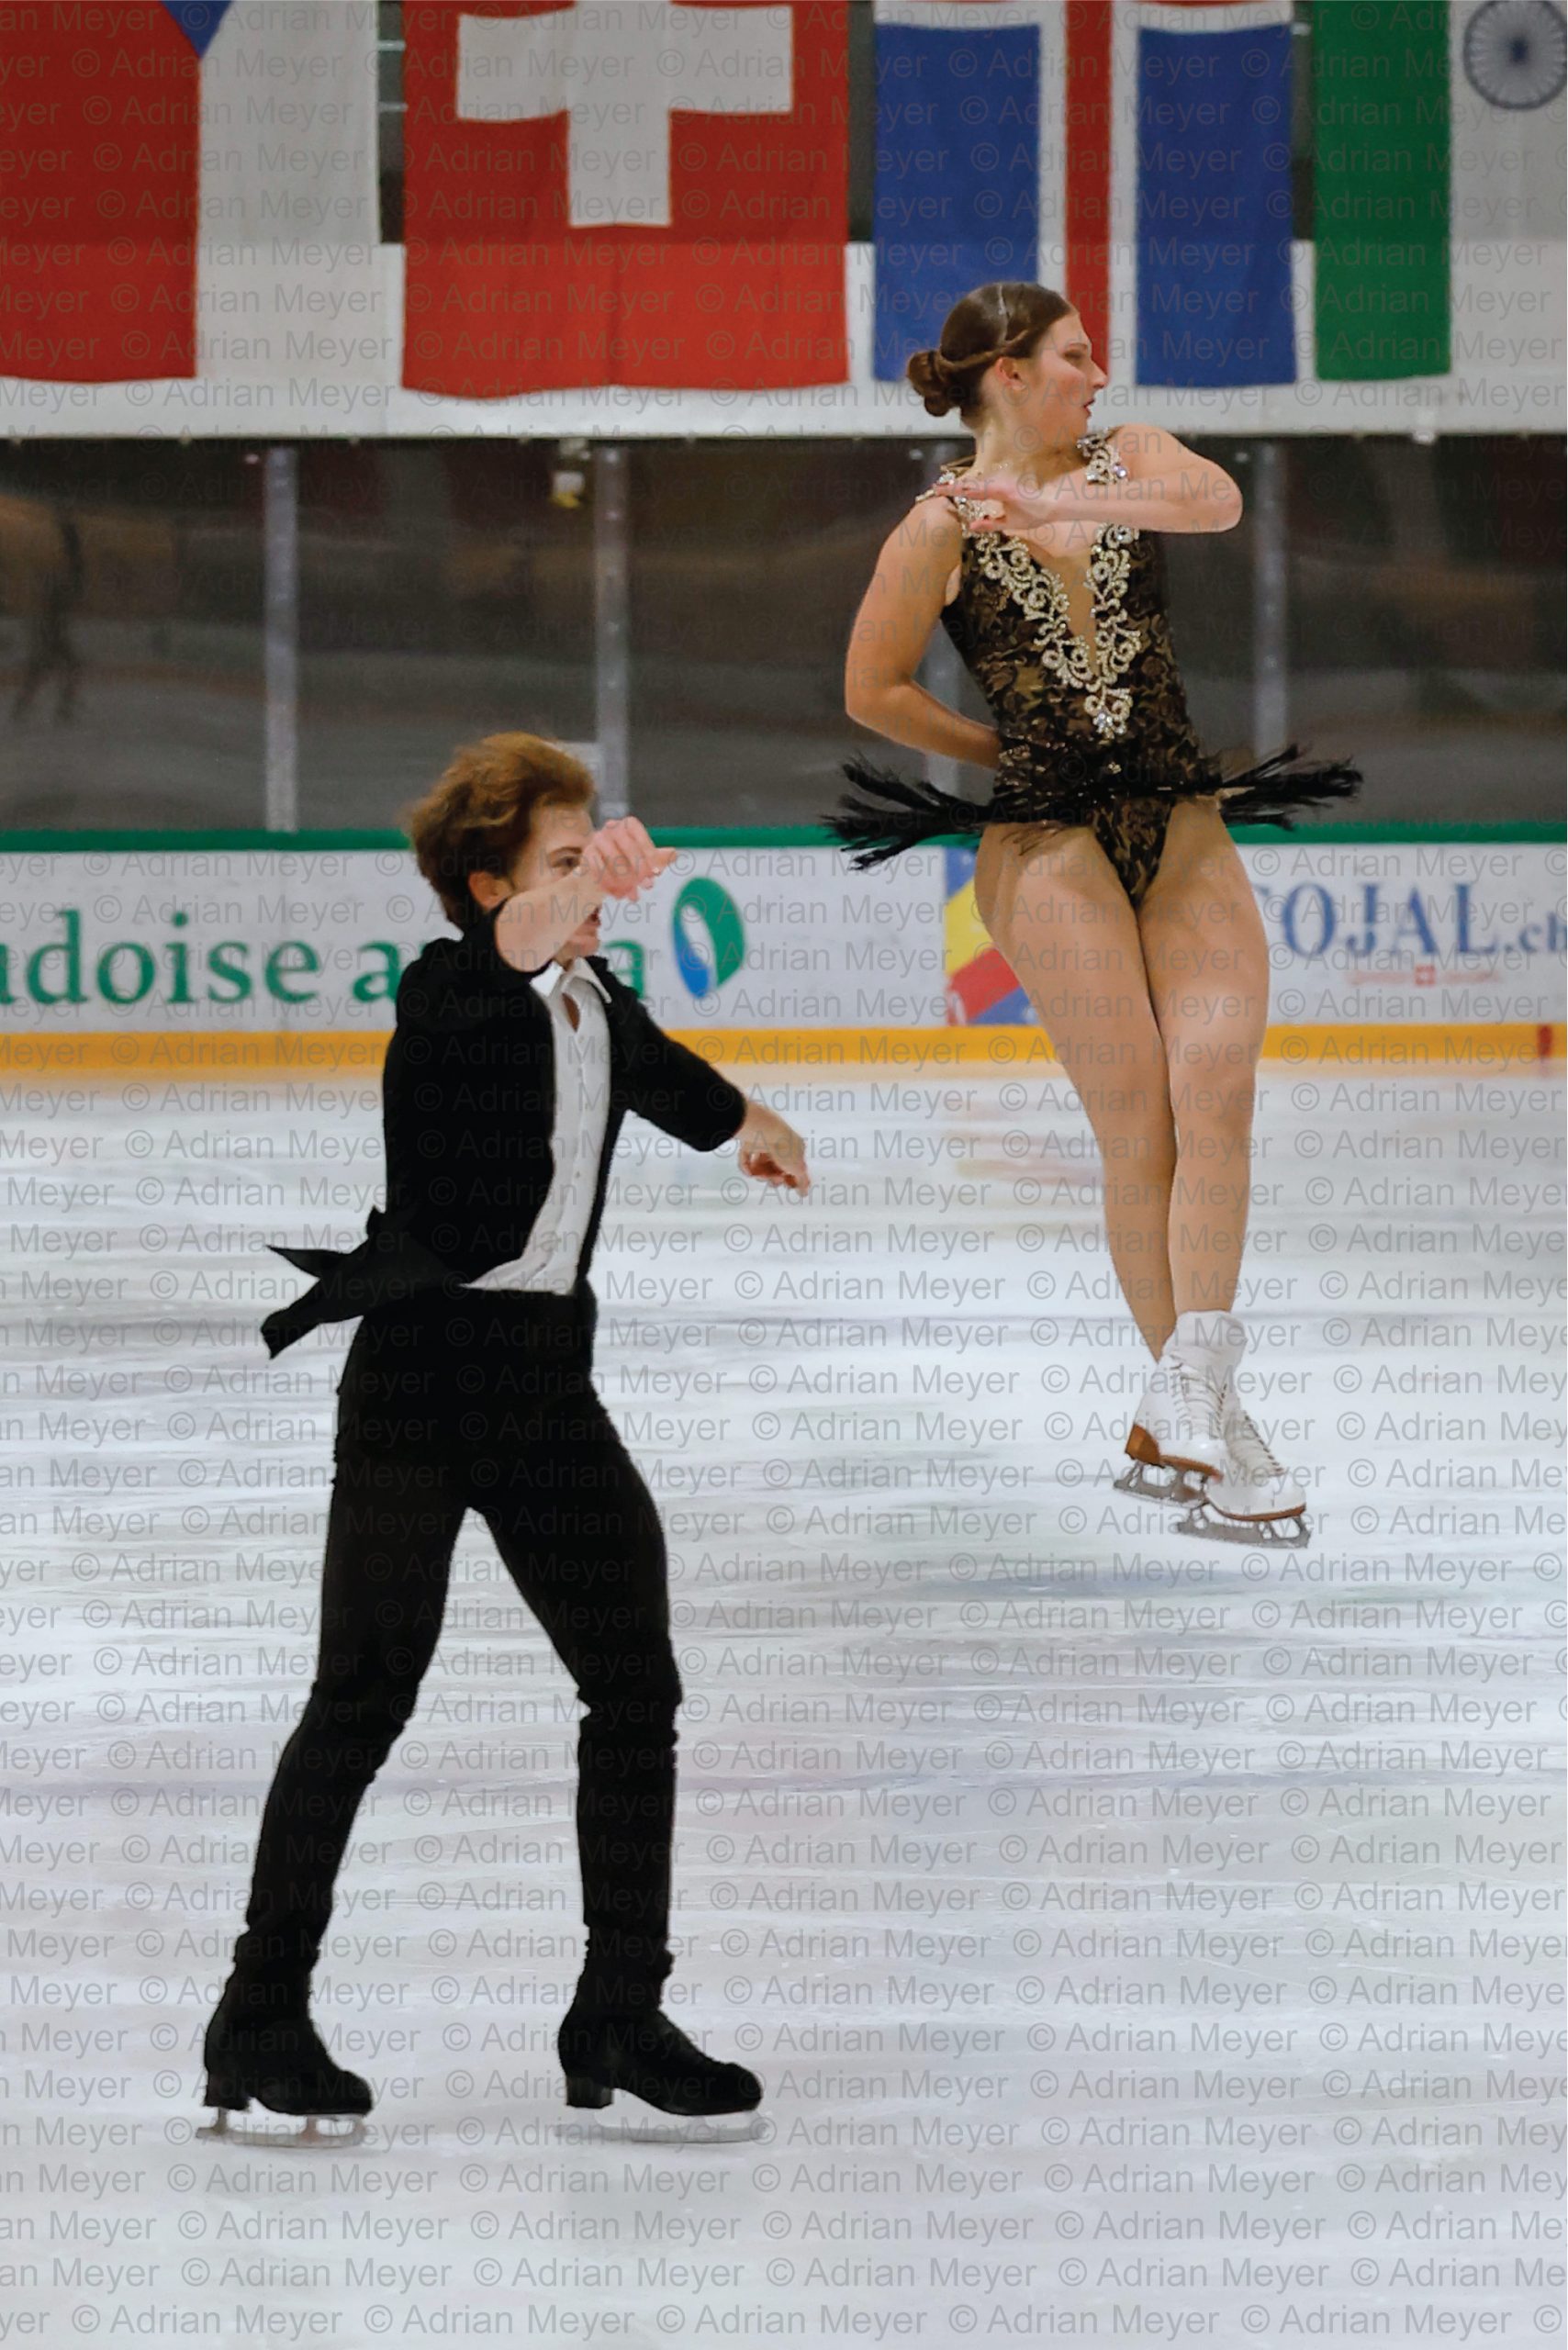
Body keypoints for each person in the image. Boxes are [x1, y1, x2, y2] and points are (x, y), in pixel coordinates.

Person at [203, 733, 810, 2134]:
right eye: (558, 863)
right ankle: (259, 2010)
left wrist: (749, 1123)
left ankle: (619, 2007)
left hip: (546, 1390)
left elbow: (654, 1067)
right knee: (361, 1700)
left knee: (636, 1686)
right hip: (421, 1387)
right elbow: (513, 954)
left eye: (593, 854)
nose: (587, 886)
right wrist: (552, 905)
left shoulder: (592, 998)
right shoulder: (452, 989)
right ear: (488, 886)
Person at [825, 283, 1361, 1545]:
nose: (1099, 371)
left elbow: (1216, 504)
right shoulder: (936, 525)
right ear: (1009, 371)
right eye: (1074, 355)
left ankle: (1186, 1384)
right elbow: (870, 687)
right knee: (1139, 1124)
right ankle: (1222, 1437)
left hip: (1180, 816)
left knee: (1216, 1087)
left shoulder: (1134, 459)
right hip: (1047, 840)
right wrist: (993, 744)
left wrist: (1070, 501)